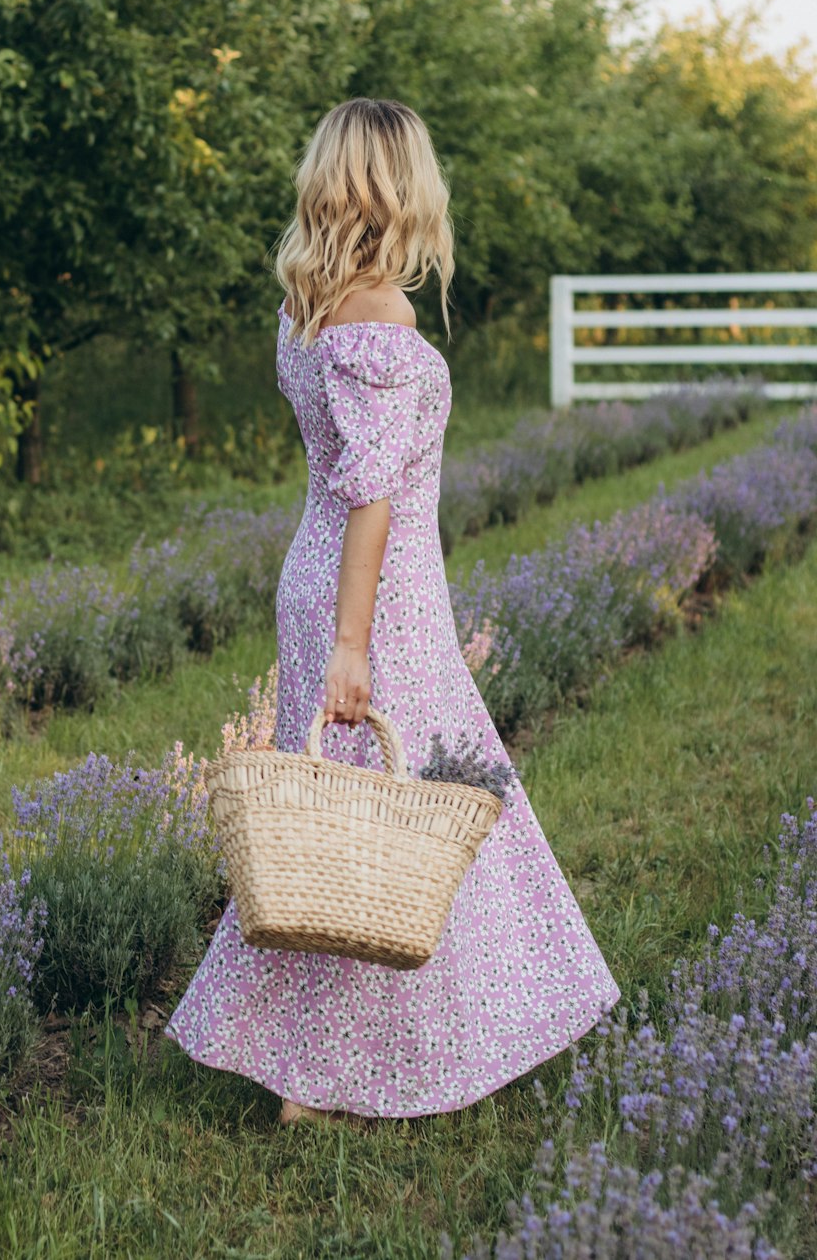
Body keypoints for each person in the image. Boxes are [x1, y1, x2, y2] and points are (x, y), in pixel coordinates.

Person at [161, 97, 620, 1128]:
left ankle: (324, 1059)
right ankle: (346, 1074)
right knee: (406, 818)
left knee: (350, 820)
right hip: (372, 593)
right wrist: (352, 645)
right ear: (399, 186)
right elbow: (371, 490)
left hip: (322, 574)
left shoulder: (304, 305)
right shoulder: (379, 315)